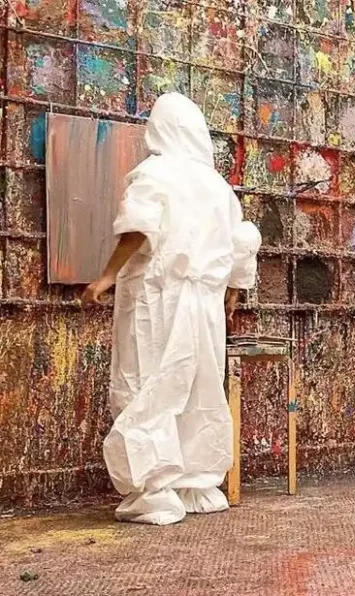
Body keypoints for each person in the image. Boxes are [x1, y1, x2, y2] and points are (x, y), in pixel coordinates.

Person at [81, 93, 262, 525]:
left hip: (157, 296)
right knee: (199, 387)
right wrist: (233, 290)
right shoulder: (219, 187)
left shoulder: (155, 173)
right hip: (205, 302)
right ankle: (198, 485)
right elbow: (242, 241)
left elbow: (139, 229)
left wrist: (105, 277)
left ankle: (154, 494)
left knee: (148, 385)